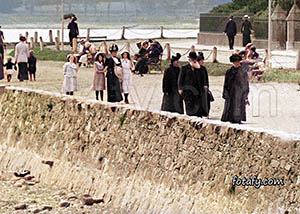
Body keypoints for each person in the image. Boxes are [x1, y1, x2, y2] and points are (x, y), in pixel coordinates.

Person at [221, 54, 250, 124]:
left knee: (238, 106)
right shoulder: (229, 72)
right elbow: (226, 83)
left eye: (238, 62)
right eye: (235, 62)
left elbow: (246, 84)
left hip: (239, 92)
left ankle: (238, 119)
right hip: (231, 92)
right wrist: (225, 93)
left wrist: (245, 95)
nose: (237, 63)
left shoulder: (243, 72)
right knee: (230, 106)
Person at [178, 51, 203, 116]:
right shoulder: (184, 68)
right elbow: (180, 79)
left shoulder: (198, 68)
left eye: (195, 59)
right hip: (188, 91)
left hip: (196, 90)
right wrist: (180, 88)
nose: (194, 60)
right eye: (192, 59)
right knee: (189, 106)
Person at [196, 52, 212, 117]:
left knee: (206, 101)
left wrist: (206, 85)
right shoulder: (196, 69)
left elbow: (206, 78)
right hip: (198, 88)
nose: (202, 62)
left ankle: (206, 113)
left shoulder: (203, 69)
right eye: (201, 61)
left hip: (204, 88)